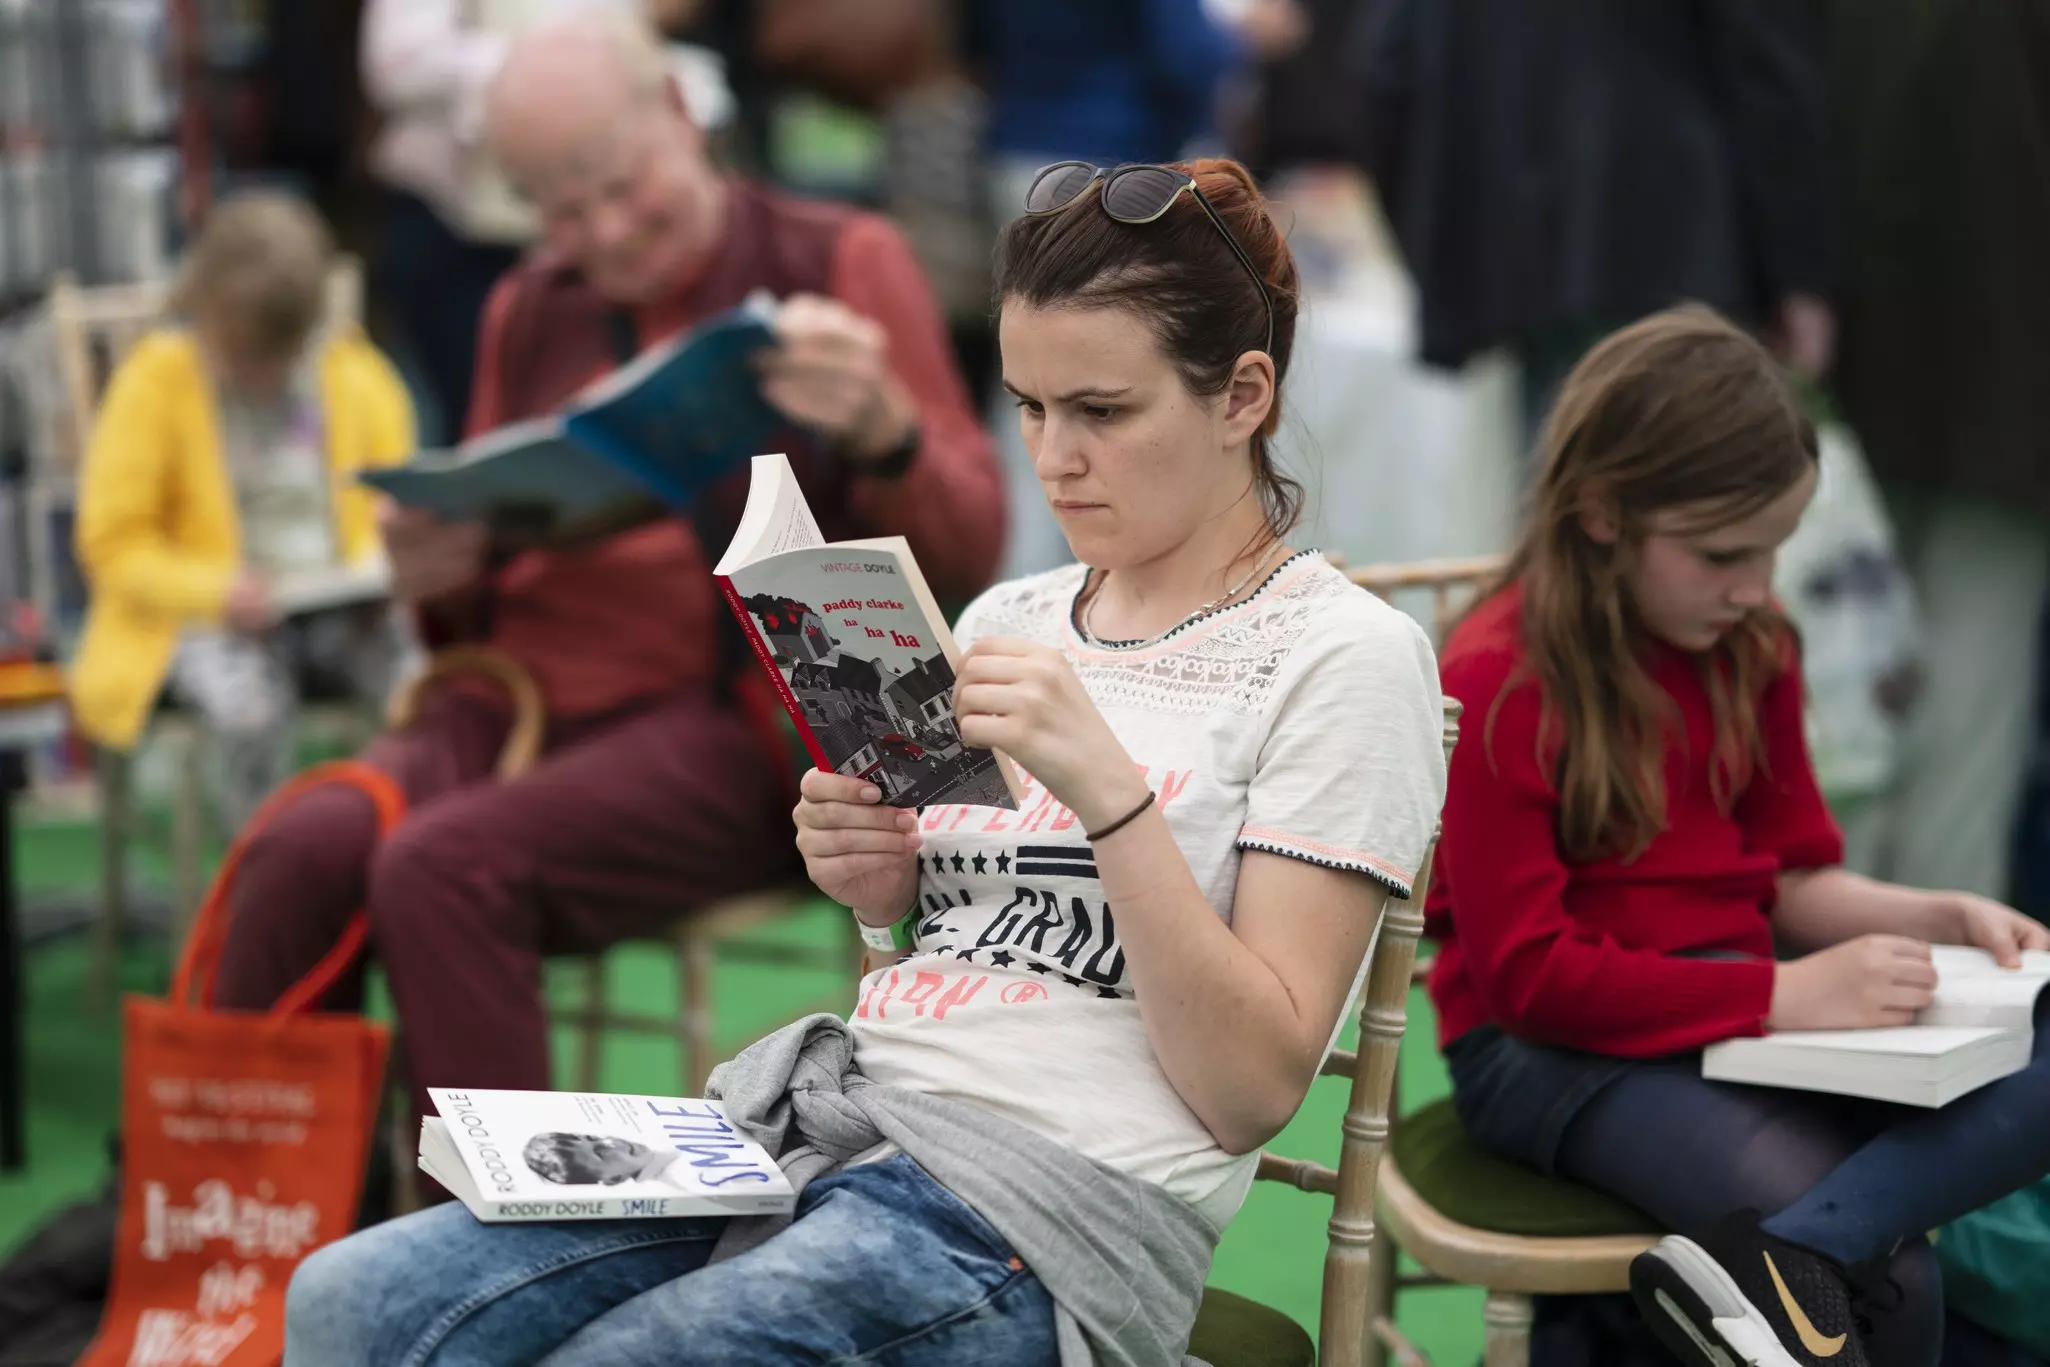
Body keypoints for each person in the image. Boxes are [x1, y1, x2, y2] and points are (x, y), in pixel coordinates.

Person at [279, 156, 1446, 1366]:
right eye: (1031, 408)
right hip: (831, 1128)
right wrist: (881, 887)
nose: (1053, 458)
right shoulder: (1011, 617)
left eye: (1101, 411)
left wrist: (1113, 800)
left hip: (1040, 1214)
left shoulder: (1346, 656)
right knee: (344, 1300)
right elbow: (955, 956)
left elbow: (1250, 1087)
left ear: (1243, 395)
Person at [210, 7, 1006, 1180]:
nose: (605, 232)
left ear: (682, 116)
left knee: (441, 865)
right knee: (291, 849)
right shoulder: (530, 303)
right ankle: (252, 1236)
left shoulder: (837, 260)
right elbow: (472, 586)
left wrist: (887, 431)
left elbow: (973, 550)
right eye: (560, 209)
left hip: (742, 733)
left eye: (623, 187)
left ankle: (484, 1260)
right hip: (513, 706)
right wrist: (438, 573)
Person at [1425, 306, 2050, 1367]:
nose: (1755, 586)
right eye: (1721, 553)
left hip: (1734, 1005)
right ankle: (1814, 1255)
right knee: (1889, 1285)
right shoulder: (1495, 676)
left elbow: (1791, 877)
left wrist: (1936, 912)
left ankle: (1810, 1244)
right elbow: (1528, 976)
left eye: (1771, 550)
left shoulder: (1751, 641)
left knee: (1851, 1255)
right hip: (1543, 1050)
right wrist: (1781, 996)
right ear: (1598, 514)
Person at [70, 190, 416, 834]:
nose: (267, 377)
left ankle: (402, 857)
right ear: (204, 315)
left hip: (333, 611)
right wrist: (217, 591)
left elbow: (402, 500)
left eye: (282, 358)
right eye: (248, 359)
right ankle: (260, 881)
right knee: (250, 710)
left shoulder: (354, 373)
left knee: (423, 682)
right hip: (204, 620)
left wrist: (384, 569)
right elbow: (112, 545)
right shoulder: (155, 382)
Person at [1356, 0, 1834, 446]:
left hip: (1532, 248)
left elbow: (1386, 68)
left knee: (1565, 481)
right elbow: (1766, 71)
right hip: (1682, 243)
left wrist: (1448, 250)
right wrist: (1798, 270)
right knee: (1688, 494)